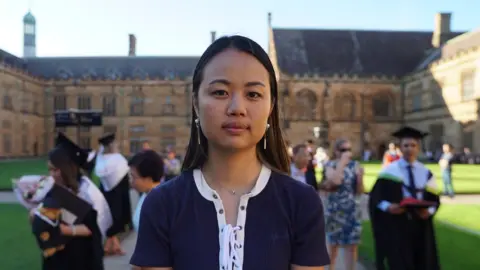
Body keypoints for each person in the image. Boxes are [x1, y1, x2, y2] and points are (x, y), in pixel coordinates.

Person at [130, 35, 329, 270]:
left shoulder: (301, 203)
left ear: (271, 106)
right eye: (220, 92)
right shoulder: (163, 205)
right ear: (195, 102)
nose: (237, 108)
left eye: (253, 94)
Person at [368, 126, 441, 270]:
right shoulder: (389, 171)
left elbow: (435, 200)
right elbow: (375, 198)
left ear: (418, 148)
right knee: (399, 263)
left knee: (422, 262)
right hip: (398, 225)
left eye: (413, 145)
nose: (409, 149)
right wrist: (389, 207)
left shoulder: (426, 173)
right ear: (400, 148)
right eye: (406, 145)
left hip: (421, 225)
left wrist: (429, 212)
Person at [40, 132, 112, 270]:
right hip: (57, 257)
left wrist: (66, 230)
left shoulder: (87, 192)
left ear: (67, 168)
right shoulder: (54, 188)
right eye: (50, 170)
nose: (52, 175)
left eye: (56, 169)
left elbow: (95, 230)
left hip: (81, 257)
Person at [322, 138, 364, 270]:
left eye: (349, 150)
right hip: (335, 210)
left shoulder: (355, 166)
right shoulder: (330, 165)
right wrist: (342, 163)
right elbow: (335, 181)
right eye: (343, 150)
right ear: (336, 151)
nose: (347, 153)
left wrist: (360, 179)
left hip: (351, 210)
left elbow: (359, 191)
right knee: (333, 246)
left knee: (352, 246)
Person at [94, 133, 132, 255]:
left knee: (109, 218)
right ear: (112, 145)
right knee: (116, 218)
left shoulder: (100, 159)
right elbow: (126, 176)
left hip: (106, 193)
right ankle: (109, 246)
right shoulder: (118, 159)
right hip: (119, 194)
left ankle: (113, 246)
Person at [128, 150, 165, 232]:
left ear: (148, 179)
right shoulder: (147, 195)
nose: (131, 182)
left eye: (133, 177)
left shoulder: (161, 204)